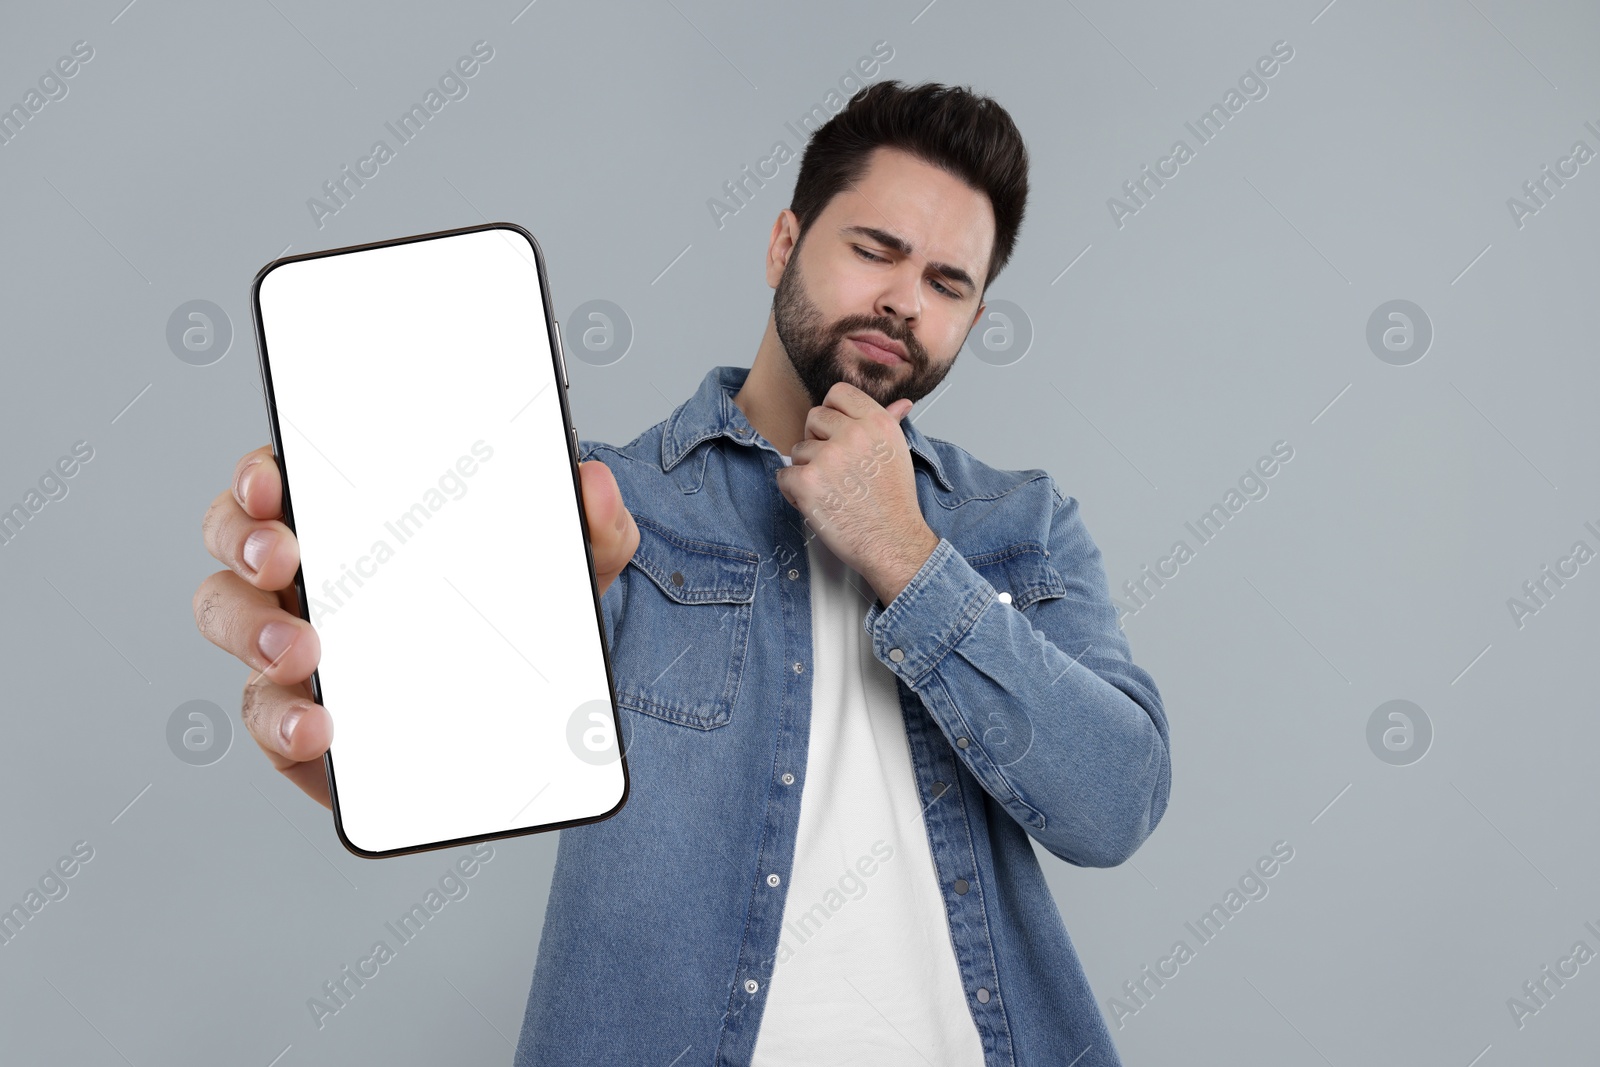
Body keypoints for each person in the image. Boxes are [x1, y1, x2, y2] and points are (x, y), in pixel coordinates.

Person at [194, 80, 1171, 1066]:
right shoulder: (605, 506)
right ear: (783, 244)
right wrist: (355, 701)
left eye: (948, 283)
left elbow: (1116, 799)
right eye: (875, 249)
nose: (903, 299)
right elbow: (446, 735)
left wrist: (903, 554)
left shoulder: (1020, 522)